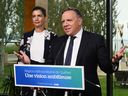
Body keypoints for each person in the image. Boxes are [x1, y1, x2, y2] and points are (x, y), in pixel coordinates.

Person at [47, 7, 125, 96]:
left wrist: (114, 61)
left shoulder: (96, 40)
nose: (65, 24)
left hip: (87, 93)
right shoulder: (57, 42)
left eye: (69, 20)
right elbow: (49, 66)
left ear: (79, 21)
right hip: (60, 93)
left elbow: (106, 67)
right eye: (63, 21)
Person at [14, 6, 57, 96]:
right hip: (28, 81)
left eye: (39, 16)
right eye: (34, 16)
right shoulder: (26, 36)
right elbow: (21, 60)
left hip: (46, 81)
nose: (36, 19)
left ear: (45, 18)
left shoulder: (53, 37)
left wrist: (31, 63)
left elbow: (53, 62)